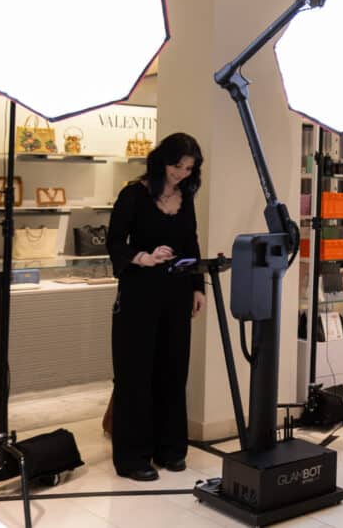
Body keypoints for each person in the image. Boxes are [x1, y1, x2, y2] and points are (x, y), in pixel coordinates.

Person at [107, 132, 207, 481]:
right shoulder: (134, 194)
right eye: (177, 166)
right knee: (135, 374)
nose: (181, 174)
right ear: (162, 160)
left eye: (188, 169)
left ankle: (171, 449)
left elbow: (191, 242)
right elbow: (114, 242)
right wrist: (143, 257)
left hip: (176, 295)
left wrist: (197, 287)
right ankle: (132, 457)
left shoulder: (186, 198)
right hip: (139, 295)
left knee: (173, 370)